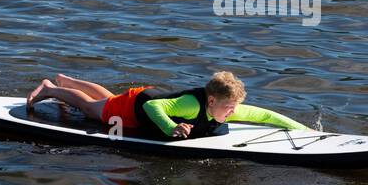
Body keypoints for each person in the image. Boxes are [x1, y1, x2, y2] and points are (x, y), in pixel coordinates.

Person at [25, 70, 307, 139]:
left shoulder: (226, 105)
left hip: (150, 95)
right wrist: (171, 128)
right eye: (229, 108)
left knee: (108, 99)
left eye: (235, 108)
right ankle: (53, 89)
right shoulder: (191, 106)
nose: (234, 113)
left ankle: (66, 78)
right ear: (211, 101)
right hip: (139, 106)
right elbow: (151, 109)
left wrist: (305, 131)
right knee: (92, 109)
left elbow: (266, 115)